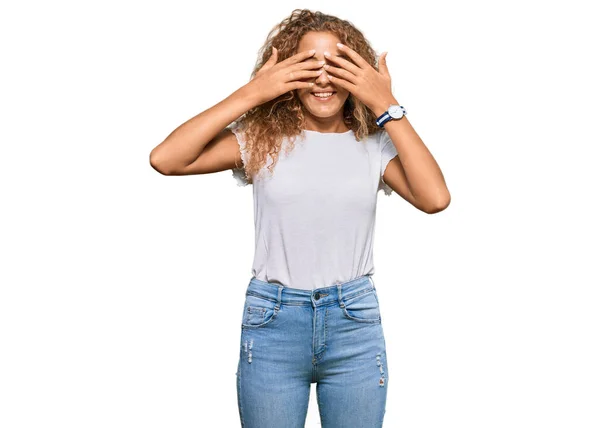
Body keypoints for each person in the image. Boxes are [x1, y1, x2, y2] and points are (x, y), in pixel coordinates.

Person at [149, 8, 450, 428]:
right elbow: (166, 159)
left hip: (353, 322)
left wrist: (387, 104)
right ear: (287, 74)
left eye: (338, 66)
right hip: (273, 321)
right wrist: (253, 92)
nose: (324, 79)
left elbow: (435, 198)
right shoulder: (263, 140)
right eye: (308, 67)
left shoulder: (375, 144)